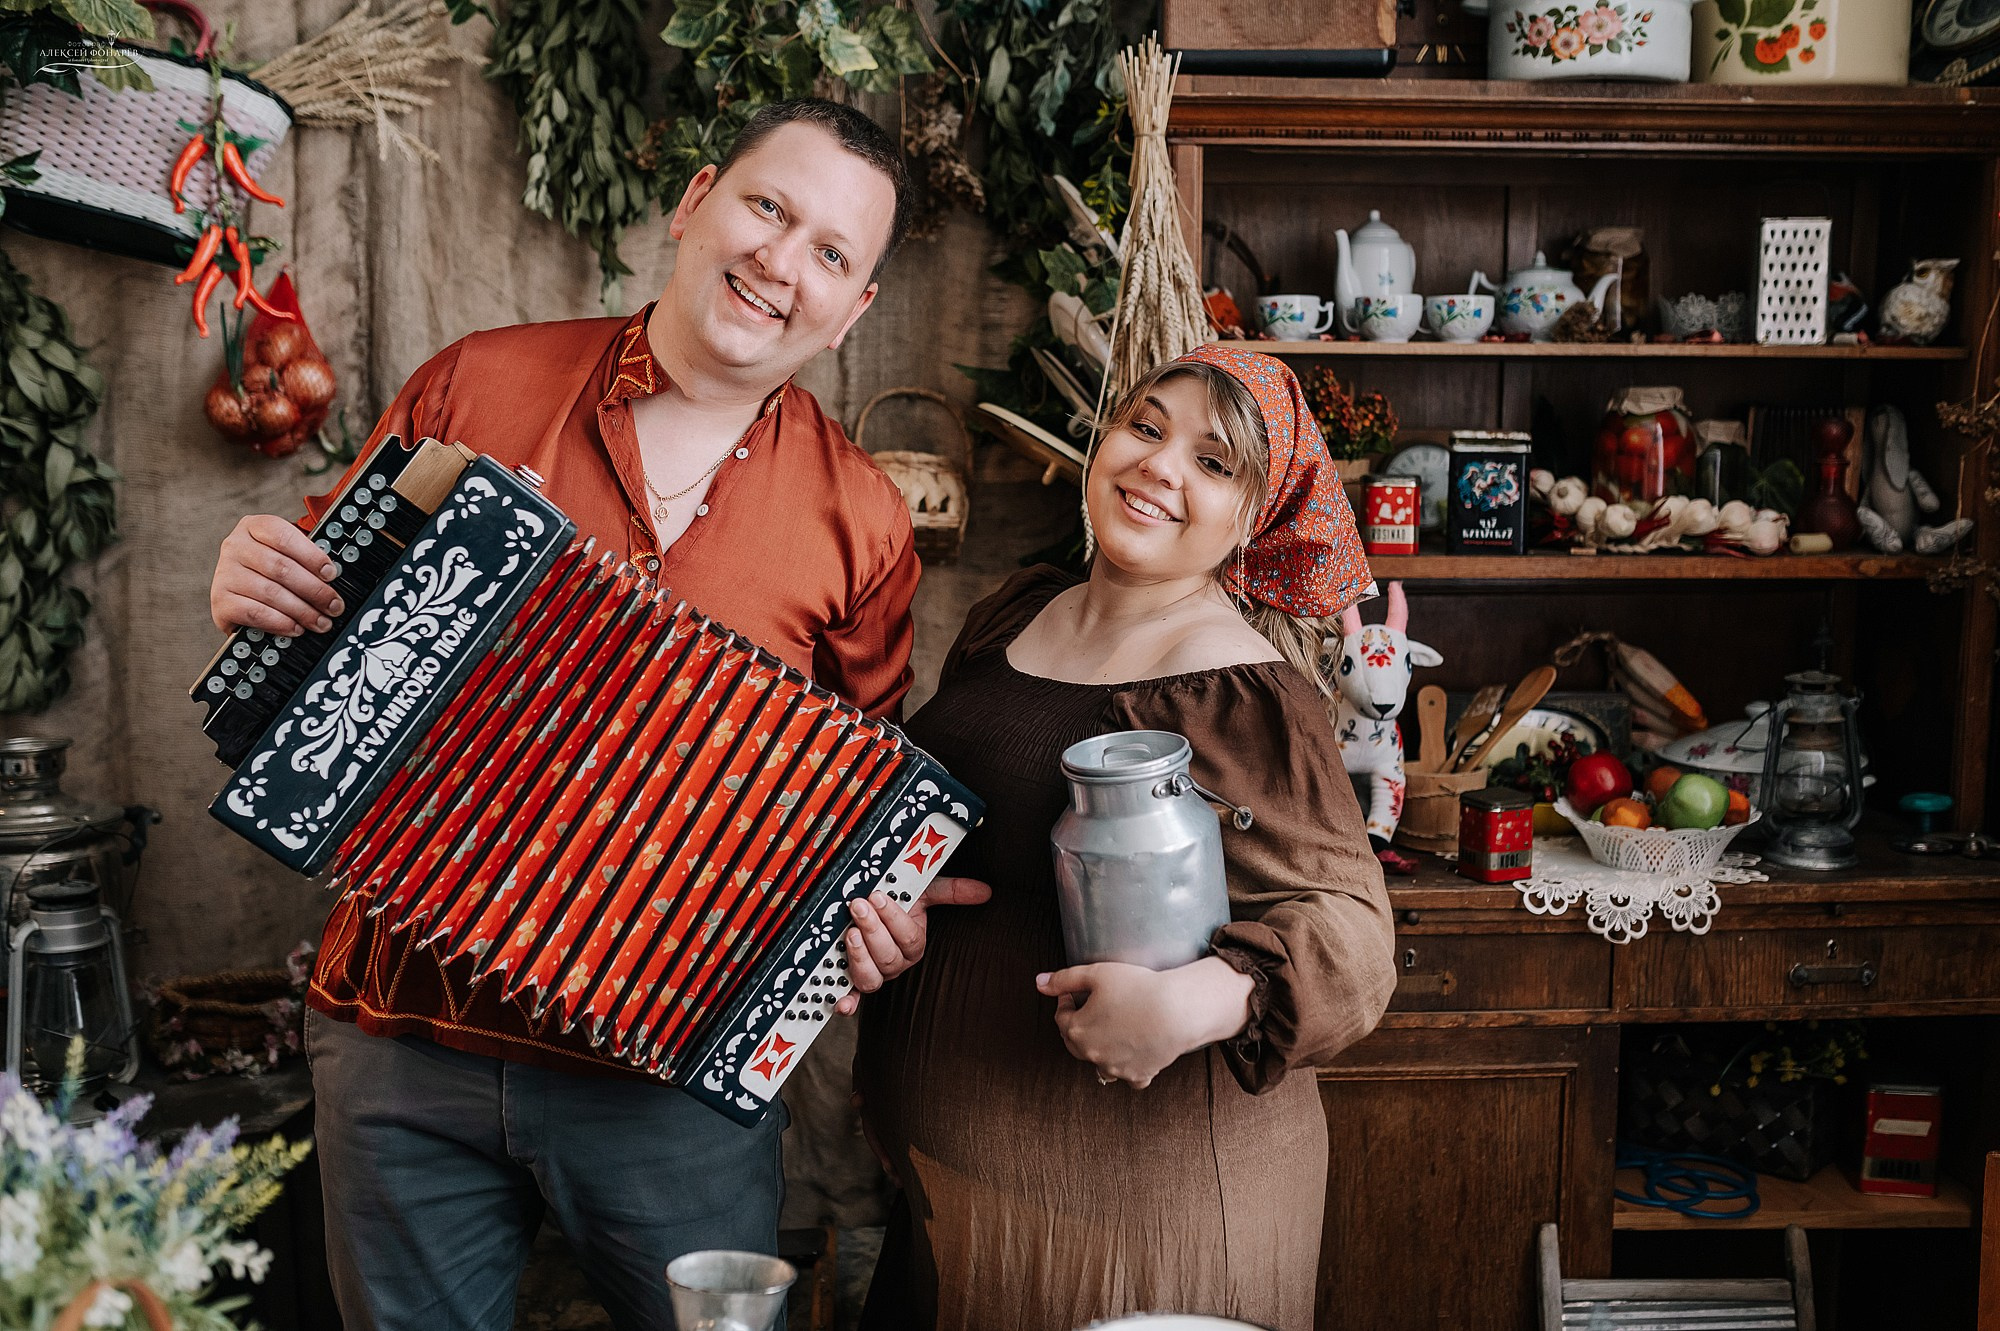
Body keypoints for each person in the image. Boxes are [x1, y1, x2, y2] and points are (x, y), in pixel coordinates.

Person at [204, 98, 987, 1331]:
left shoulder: (861, 521)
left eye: (831, 253)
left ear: (857, 308)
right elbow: (309, 649)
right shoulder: (478, 383)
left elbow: (856, 812)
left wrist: (867, 926)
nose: (782, 263)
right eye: (766, 208)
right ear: (692, 204)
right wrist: (255, 583)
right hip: (400, 1039)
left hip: (670, 1085)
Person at [853, 345, 1399, 1331]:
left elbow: (1356, 933)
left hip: (1136, 1212)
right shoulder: (1020, 612)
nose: (1158, 464)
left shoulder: (1231, 685)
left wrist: (1203, 994)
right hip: (955, 1193)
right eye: (1144, 428)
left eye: (1212, 461)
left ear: (1251, 519)